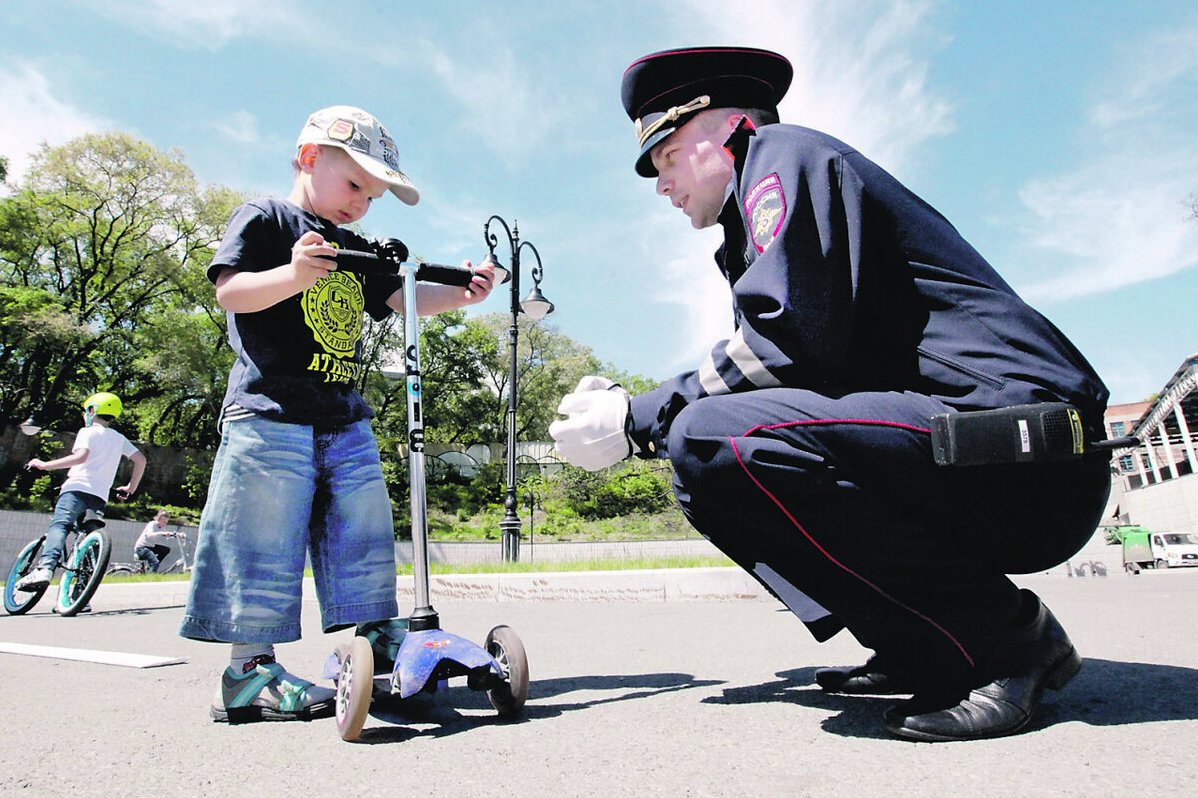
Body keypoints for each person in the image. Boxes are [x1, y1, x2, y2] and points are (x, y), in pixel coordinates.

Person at [549, 47, 1112, 742]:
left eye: (665, 156)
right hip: (964, 445)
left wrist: (637, 415)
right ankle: (922, 640)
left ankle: (1008, 641)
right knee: (705, 461)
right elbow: (790, 372)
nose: (659, 184)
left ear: (726, 129)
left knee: (707, 436)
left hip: (1020, 449)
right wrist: (651, 421)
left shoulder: (783, 156)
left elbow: (783, 340)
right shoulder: (749, 225)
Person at [179, 105, 495, 724]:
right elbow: (230, 291)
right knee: (262, 542)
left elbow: (402, 297)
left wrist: (461, 292)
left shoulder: (354, 246)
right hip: (269, 413)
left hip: (344, 416)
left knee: (364, 531)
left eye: (372, 197)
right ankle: (248, 672)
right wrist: (294, 273)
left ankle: (377, 639)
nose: (360, 204)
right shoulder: (266, 218)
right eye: (354, 185)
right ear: (307, 158)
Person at [17, 392, 146, 591]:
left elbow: (81, 456)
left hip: (76, 489)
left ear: (92, 410)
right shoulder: (119, 439)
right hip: (99, 496)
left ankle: (45, 568)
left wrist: (44, 465)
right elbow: (141, 460)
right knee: (90, 537)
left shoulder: (87, 431)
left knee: (60, 525)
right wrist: (131, 487)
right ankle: (82, 591)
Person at [134, 509, 176, 573]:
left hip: (150, 547)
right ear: (158, 519)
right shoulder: (152, 524)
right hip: (141, 548)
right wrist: (161, 533)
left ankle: (151, 566)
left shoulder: (161, 527)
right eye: (163, 522)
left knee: (166, 549)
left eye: (166, 522)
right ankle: (151, 576)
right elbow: (149, 535)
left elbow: (165, 534)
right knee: (155, 562)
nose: (165, 524)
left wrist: (177, 535)